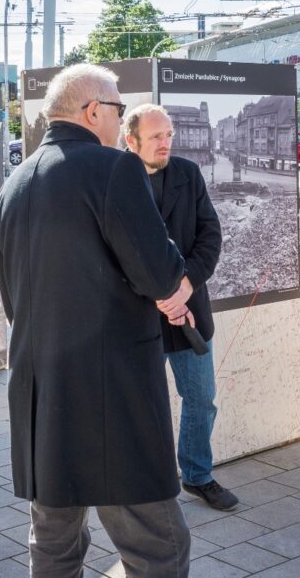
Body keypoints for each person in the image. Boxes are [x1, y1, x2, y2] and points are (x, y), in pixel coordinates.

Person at [0, 64, 191, 577]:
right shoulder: (113, 169)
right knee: (159, 547)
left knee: (53, 548)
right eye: (119, 109)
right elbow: (160, 273)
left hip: (39, 401)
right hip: (112, 400)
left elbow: (15, 301)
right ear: (93, 110)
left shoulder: (14, 183)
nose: (120, 119)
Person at [123, 104, 237, 511]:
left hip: (189, 311)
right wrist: (159, 296)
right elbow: (112, 252)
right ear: (130, 139)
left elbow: (210, 235)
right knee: (142, 406)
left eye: (168, 134)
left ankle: (198, 475)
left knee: (202, 398)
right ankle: (145, 482)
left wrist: (185, 285)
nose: (166, 142)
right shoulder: (116, 180)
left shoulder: (188, 174)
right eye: (156, 136)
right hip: (139, 318)